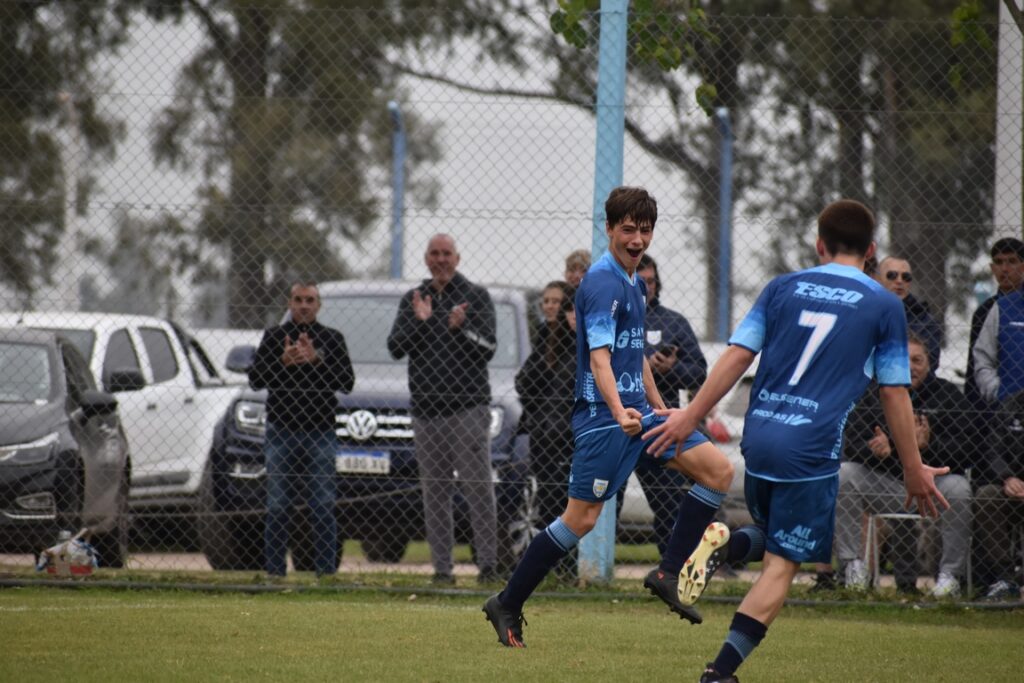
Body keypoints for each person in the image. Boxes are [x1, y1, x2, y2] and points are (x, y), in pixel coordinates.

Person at [643, 199, 949, 682]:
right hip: (811, 449)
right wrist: (913, 466)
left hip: (760, 436)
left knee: (780, 536)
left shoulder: (782, 288)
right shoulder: (885, 305)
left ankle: (722, 544)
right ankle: (719, 673)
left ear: (818, 245)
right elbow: (894, 391)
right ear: (871, 252)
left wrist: (691, 416)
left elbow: (737, 356)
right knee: (784, 564)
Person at [483, 186, 736, 648]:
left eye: (645, 230)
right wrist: (620, 411)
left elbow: (633, 354)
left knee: (718, 470)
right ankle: (507, 601)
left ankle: (667, 571)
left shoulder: (635, 283)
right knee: (579, 520)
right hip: (605, 422)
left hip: (640, 417)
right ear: (609, 229)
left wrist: (658, 405)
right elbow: (600, 359)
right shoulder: (600, 283)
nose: (637, 239)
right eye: (628, 230)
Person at [387, 234, 500, 585]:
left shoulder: (475, 297)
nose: (441, 260)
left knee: (477, 487)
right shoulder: (414, 299)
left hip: (467, 410)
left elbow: (488, 348)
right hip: (425, 411)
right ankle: (442, 571)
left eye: (446, 254)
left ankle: (489, 566)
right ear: (426, 259)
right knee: (434, 492)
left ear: (457, 257)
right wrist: (420, 322)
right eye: (434, 254)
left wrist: (461, 327)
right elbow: (395, 347)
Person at [835, 335, 975, 597]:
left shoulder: (948, 396)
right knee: (844, 474)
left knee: (959, 486)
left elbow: (968, 452)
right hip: (888, 488)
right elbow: (852, 444)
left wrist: (927, 448)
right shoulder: (875, 392)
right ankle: (852, 566)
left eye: (917, 360)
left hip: (931, 489)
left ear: (929, 363)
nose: (911, 366)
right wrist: (880, 452)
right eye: (904, 359)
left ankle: (949, 577)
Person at [248, 281, 355, 577]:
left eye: (310, 300)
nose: (304, 305)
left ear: (319, 305)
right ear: (289, 304)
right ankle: (274, 573)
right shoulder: (274, 338)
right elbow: (256, 379)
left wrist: (317, 360)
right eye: (298, 300)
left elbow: (347, 382)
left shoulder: (333, 340)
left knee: (322, 506)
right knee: (278, 506)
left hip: (320, 433)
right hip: (281, 432)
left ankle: (325, 575)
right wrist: (280, 362)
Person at [626, 253, 708, 555]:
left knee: (668, 502)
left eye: (650, 281)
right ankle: (588, 572)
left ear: (657, 284)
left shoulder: (673, 322)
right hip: (619, 422)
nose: (646, 287)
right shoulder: (617, 317)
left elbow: (700, 372)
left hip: (660, 426)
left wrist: (670, 369)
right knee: (605, 503)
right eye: (640, 281)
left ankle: (670, 569)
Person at [515, 281, 577, 576]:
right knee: (548, 504)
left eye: (556, 301)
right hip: (543, 436)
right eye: (546, 301)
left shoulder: (579, 343)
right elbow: (524, 383)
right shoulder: (543, 339)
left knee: (568, 507)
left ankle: (569, 569)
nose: (550, 306)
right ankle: (553, 570)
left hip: (567, 438)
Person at [973, 391, 1024, 600]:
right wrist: (1007, 477)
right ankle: (1005, 577)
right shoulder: (1011, 405)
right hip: (1009, 486)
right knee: (986, 496)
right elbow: (992, 449)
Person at [965, 238, 1024, 407]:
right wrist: (996, 392)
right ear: (992, 268)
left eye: (1012, 261)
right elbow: (975, 365)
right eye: (999, 262)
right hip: (999, 407)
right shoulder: (985, 311)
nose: (1004, 269)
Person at [875, 255, 943, 369]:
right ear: (877, 278)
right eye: (892, 275)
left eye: (906, 277)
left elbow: (930, 364)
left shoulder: (926, 322)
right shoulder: (863, 311)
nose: (900, 281)